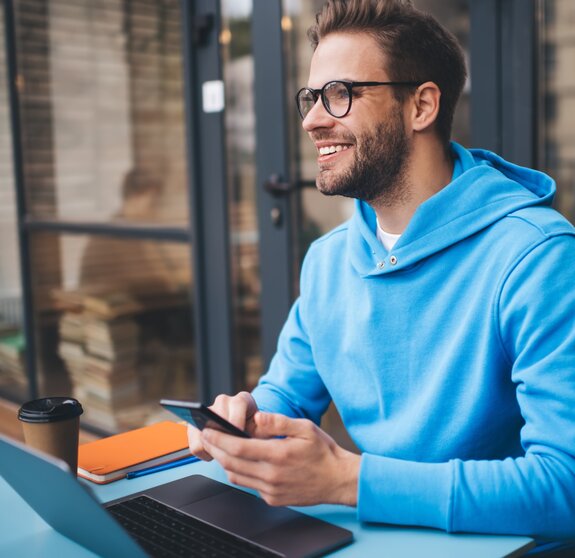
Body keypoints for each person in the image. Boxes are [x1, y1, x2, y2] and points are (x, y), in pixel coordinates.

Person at [189, 0, 575, 552]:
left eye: (340, 94)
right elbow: (287, 394)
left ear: (421, 105)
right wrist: (243, 424)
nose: (312, 119)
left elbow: (566, 484)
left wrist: (348, 480)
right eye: (311, 97)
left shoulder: (537, 259)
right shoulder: (328, 260)